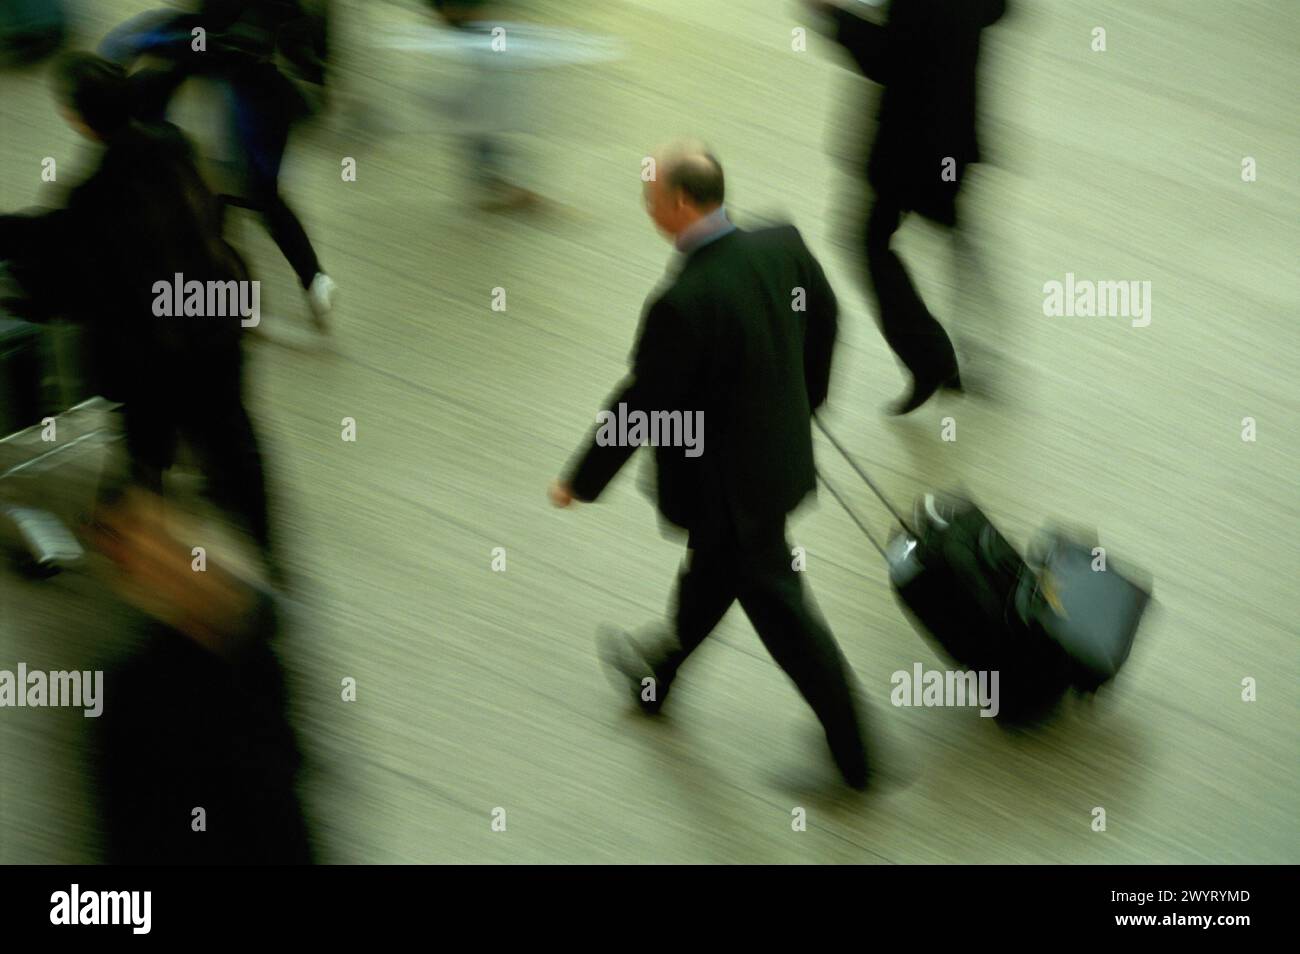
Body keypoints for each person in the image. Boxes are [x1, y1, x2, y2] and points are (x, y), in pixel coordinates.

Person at [549, 143, 869, 789]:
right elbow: (830, 319)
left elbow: (642, 403)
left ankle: (856, 755)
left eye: (651, 196)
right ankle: (657, 676)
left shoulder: (685, 301)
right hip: (774, 463)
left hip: (731, 491)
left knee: (781, 613)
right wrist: (802, 402)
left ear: (683, 204)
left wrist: (579, 480)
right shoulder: (780, 244)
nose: (645, 206)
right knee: (710, 578)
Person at [0, 52, 282, 582]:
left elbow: (63, 266)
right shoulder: (173, 145)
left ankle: (136, 544)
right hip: (218, 317)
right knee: (236, 443)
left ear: (75, 118)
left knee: (147, 439)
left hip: (161, 353)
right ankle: (267, 558)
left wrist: (23, 288)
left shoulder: (95, 196)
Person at [808, 0, 1007, 414]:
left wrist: (833, 16)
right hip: (957, 134)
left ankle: (932, 358)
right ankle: (975, 347)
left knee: (867, 242)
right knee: (949, 228)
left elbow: (886, 58)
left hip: (909, 146)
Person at [99, 0, 338, 331]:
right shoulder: (277, 17)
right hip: (258, 113)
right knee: (265, 203)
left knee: (218, 208)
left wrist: (136, 48)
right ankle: (312, 279)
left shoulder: (202, 31)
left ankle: (236, 303)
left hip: (219, 119)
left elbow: (183, 39)